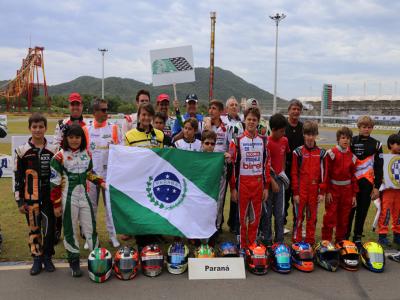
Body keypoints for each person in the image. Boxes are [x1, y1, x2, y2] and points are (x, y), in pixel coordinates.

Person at [50, 125, 105, 277]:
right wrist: (56, 204)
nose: (74, 140)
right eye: (71, 137)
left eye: (78, 137)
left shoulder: (87, 153)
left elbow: (90, 174)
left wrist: (101, 182)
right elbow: (54, 183)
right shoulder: (59, 157)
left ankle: (96, 259)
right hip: (68, 199)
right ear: (66, 138)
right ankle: (74, 262)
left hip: (84, 197)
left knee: (90, 228)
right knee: (70, 230)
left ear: (82, 138)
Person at [14, 113, 58, 275]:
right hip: (30, 196)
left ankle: (47, 257)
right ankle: (37, 259)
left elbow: (58, 177)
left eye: (41, 127)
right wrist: (19, 201)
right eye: (34, 127)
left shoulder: (53, 149)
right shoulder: (21, 151)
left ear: (46, 128)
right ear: (29, 128)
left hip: (49, 196)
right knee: (34, 228)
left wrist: (57, 199)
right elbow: (18, 177)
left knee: (49, 228)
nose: (38, 130)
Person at [125, 103, 168, 248]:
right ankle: (141, 243)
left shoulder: (160, 135)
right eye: (143, 114)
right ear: (139, 116)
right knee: (139, 212)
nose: (146, 117)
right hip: (137, 181)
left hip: (154, 180)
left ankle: (153, 240)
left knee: (153, 210)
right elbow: (126, 158)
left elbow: (162, 158)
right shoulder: (129, 135)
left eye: (149, 115)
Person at [229, 107, 271, 254]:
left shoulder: (264, 141)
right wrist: (233, 188)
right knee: (241, 219)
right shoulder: (237, 140)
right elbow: (233, 166)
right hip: (242, 184)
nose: (251, 122)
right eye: (249, 119)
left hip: (258, 184)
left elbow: (267, 165)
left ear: (258, 122)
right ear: (244, 121)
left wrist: (266, 187)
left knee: (255, 219)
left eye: (254, 119)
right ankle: (241, 246)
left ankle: (252, 245)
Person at [86, 98, 122, 248]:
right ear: (95, 112)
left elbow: (121, 150)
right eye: (103, 110)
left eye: (107, 109)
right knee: (91, 208)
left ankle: (112, 235)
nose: (106, 112)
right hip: (92, 175)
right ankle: (91, 237)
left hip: (109, 175)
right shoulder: (86, 130)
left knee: (110, 208)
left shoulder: (114, 128)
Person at [53, 92, 88, 242]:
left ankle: (83, 229)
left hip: (81, 166)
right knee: (61, 199)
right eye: (72, 104)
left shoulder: (87, 124)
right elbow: (55, 144)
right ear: (69, 106)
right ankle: (57, 230)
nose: (75, 107)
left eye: (77, 104)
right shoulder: (62, 123)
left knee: (81, 197)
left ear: (81, 106)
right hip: (64, 167)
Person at [347, 116, 383, 247]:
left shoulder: (377, 144)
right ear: (359, 127)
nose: (366, 129)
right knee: (350, 210)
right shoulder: (351, 141)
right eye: (364, 127)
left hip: (367, 184)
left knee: (362, 211)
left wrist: (377, 187)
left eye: (369, 127)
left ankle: (357, 236)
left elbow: (379, 167)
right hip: (352, 183)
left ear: (372, 128)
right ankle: (345, 235)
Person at [291, 120, 327, 245]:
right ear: (304, 135)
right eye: (308, 134)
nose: (310, 137)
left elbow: (324, 174)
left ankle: (310, 241)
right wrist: (295, 192)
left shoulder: (322, 153)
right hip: (301, 191)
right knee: (299, 217)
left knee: (312, 218)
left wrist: (322, 192)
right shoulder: (297, 152)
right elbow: (294, 174)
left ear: (316, 135)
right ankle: (297, 241)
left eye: (313, 134)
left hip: (314, 191)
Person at [321, 127, 358, 243]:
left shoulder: (352, 157)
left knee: (343, 220)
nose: (345, 140)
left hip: (347, 192)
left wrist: (353, 195)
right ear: (338, 139)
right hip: (333, 191)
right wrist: (327, 192)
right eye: (343, 138)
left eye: (348, 138)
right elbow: (326, 175)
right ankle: (326, 242)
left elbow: (353, 177)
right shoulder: (331, 154)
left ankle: (340, 242)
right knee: (329, 218)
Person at [260, 113, 290, 246]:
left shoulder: (285, 140)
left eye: (284, 131)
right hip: (268, 182)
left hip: (280, 182)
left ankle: (279, 241)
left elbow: (283, 157)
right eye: (282, 131)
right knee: (267, 213)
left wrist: (281, 173)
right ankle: (266, 240)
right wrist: (271, 180)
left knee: (280, 213)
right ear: (274, 130)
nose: (284, 133)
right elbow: (264, 164)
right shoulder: (266, 142)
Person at [284, 99, 304, 234]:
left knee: (298, 199)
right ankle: (282, 225)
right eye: (293, 109)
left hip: (299, 170)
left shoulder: (303, 127)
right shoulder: (283, 126)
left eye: (298, 109)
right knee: (283, 199)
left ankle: (298, 226)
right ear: (289, 110)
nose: (296, 111)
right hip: (284, 168)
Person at [377, 134, 400, 246]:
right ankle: (382, 235)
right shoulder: (384, 159)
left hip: (399, 192)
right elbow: (379, 175)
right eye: (398, 144)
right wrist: (383, 180)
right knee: (386, 212)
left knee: (398, 213)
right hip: (388, 191)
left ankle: (397, 234)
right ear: (391, 144)